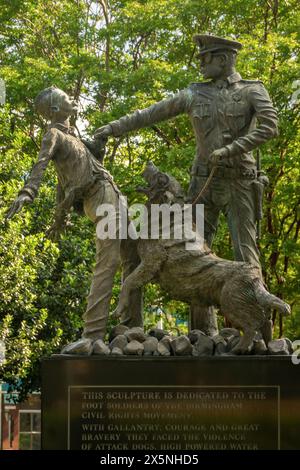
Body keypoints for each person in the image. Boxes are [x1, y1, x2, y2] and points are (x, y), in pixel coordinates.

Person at [93, 34, 278, 335]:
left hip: (240, 184)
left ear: (223, 59)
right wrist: (113, 128)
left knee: (246, 253)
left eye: (206, 58)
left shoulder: (252, 91)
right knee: (194, 256)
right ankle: (203, 334)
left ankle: (260, 332)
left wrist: (232, 149)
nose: (200, 63)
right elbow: (152, 113)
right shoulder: (194, 93)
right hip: (202, 185)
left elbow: (270, 126)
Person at [6, 86, 142, 353]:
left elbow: (63, 179)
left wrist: (61, 213)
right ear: (56, 109)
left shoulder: (75, 137)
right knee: (109, 260)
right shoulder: (53, 135)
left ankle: (131, 324)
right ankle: (93, 333)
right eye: (67, 98)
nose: (73, 99)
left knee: (133, 256)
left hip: (112, 194)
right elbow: (41, 164)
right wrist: (28, 191)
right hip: (99, 197)